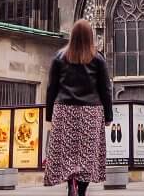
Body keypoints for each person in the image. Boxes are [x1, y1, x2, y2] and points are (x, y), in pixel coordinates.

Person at [44, 19, 112, 196]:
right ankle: (81, 191)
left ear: (72, 36)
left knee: (67, 155)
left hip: (64, 111)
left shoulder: (59, 57)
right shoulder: (98, 59)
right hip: (90, 112)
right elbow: (105, 89)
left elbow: (51, 88)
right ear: (90, 36)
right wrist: (108, 116)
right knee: (87, 156)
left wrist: (49, 116)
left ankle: (70, 186)